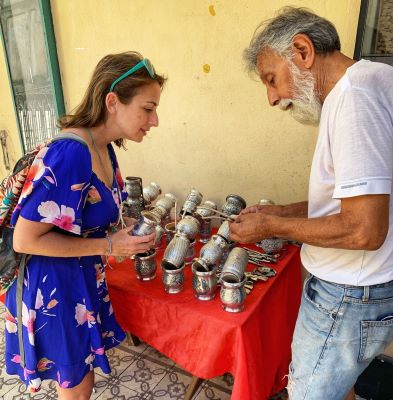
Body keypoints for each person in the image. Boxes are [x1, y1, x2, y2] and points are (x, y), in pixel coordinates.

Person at [229, 7, 393, 400]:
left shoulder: (354, 100)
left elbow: (364, 229)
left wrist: (271, 228)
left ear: (303, 51)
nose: (272, 98)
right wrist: (280, 212)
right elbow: (351, 201)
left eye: (271, 79)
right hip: (361, 289)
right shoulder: (373, 81)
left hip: (348, 293)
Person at [5, 51, 166, 399]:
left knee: (81, 381)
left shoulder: (104, 148)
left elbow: (86, 219)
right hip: (54, 288)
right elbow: (25, 239)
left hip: (78, 279)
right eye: (148, 108)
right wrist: (109, 246)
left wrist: (127, 230)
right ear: (112, 101)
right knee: (76, 387)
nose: (154, 121)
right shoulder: (71, 153)